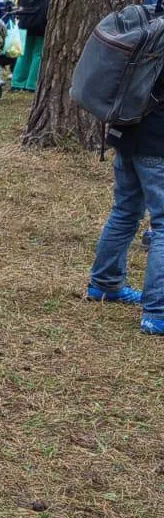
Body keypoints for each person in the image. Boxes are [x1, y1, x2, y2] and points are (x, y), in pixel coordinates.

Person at [86, 46, 163, 333]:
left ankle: (105, 283)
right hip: (157, 141)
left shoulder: (149, 29)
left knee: (125, 211)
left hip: (127, 132)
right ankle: (158, 312)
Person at [11, 0, 56, 92]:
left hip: (26, 18)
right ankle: (31, 84)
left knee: (23, 52)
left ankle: (17, 82)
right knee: (38, 53)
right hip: (42, 20)